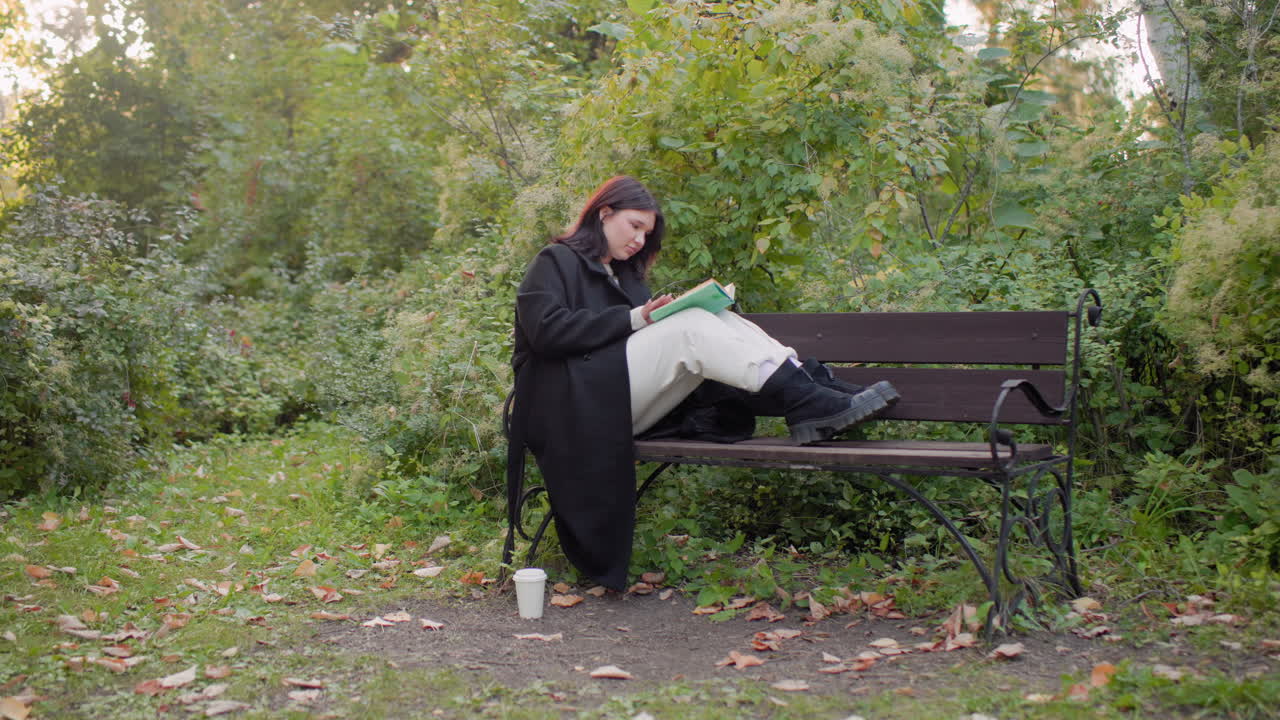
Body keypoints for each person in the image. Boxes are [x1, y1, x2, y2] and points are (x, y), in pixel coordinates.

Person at [506, 176, 898, 590]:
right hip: (570, 408)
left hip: (614, 398)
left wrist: (655, 316)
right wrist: (639, 318)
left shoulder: (626, 276)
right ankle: (806, 399)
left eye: (647, 232)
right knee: (690, 324)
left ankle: (813, 391)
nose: (640, 239)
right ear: (604, 213)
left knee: (716, 316)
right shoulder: (556, 260)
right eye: (634, 225)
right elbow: (546, 332)